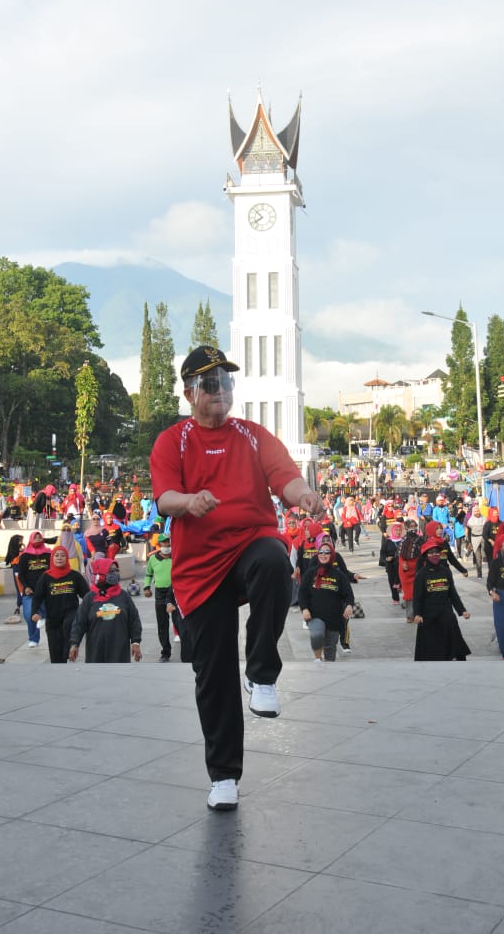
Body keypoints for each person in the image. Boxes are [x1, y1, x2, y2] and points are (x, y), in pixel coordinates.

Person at [149, 345, 326, 812]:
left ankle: (262, 674)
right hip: (199, 570)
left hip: (249, 546)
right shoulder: (174, 441)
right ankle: (224, 776)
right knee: (213, 674)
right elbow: (164, 496)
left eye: (226, 382)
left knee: (274, 559)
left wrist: (304, 494)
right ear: (189, 393)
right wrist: (187, 503)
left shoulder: (252, 435)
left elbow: (284, 476)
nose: (221, 391)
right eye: (210, 384)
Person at [69, 558, 143, 664]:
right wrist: (74, 643)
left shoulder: (123, 596)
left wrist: (136, 642)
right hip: (96, 650)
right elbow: (79, 622)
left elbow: (134, 620)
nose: (116, 573)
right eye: (111, 571)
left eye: (117, 570)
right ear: (101, 573)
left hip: (119, 650)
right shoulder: (89, 598)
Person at [413, 537, 471, 661]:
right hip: (428, 614)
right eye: (431, 552)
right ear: (425, 555)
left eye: (437, 552)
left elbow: (452, 593)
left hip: (446, 611)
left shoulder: (445, 571)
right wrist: (417, 613)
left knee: (453, 640)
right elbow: (417, 596)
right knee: (431, 646)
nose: (435, 555)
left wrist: (462, 610)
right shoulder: (421, 574)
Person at [298, 539, 354, 663]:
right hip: (314, 614)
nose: (323, 554)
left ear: (332, 555)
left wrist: (349, 605)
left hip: (334, 617)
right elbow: (302, 593)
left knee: (330, 647)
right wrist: (304, 608)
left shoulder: (339, 575)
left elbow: (348, 594)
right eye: (321, 552)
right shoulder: (310, 573)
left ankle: (329, 668)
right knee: (317, 635)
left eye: (327, 552)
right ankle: (318, 659)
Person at [31, 546, 89, 663]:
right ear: (52, 558)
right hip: (53, 619)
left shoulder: (74, 576)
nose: (59, 558)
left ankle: (70, 651)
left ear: (67, 558)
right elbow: (37, 597)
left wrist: (90, 610)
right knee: (55, 654)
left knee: (68, 625)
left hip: (70, 614)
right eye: (56, 555)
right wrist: (35, 612)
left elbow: (87, 595)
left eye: (62, 555)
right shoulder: (45, 577)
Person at [144, 532, 178, 661]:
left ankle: (187, 651)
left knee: (179, 622)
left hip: (175, 592)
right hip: (160, 593)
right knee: (162, 624)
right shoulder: (153, 558)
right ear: (159, 544)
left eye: (169, 542)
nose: (167, 545)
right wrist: (147, 587)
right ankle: (165, 652)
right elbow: (148, 574)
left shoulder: (176, 556)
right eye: (164, 542)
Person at [18, 531, 52, 648]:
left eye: (39, 537)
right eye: (35, 537)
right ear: (31, 539)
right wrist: (26, 587)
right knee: (28, 615)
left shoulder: (48, 554)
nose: (37, 539)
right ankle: (33, 638)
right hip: (30, 591)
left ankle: (42, 616)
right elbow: (21, 575)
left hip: (46, 591)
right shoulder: (25, 556)